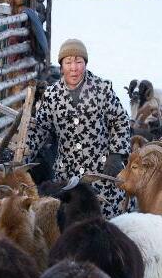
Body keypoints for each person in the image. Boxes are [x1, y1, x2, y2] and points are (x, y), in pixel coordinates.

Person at [24, 38, 130, 218]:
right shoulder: (51, 95)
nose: (74, 68)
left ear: (85, 63)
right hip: (67, 177)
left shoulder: (102, 89)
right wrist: (24, 154)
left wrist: (116, 154)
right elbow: (40, 129)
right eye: (68, 62)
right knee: (67, 224)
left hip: (101, 173)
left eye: (78, 61)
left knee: (107, 223)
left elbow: (120, 120)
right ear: (61, 65)